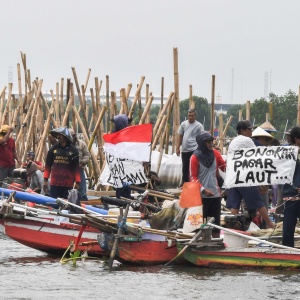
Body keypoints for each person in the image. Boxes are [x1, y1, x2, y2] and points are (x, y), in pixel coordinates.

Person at [226, 120, 275, 229]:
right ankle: (270, 224)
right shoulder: (247, 140)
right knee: (259, 202)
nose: (251, 131)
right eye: (249, 129)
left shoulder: (233, 142)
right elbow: (257, 156)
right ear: (242, 131)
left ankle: (231, 228)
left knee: (235, 204)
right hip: (245, 177)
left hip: (234, 177)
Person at [190, 131, 226, 238]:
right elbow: (193, 177)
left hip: (215, 195)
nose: (211, 143)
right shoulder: (194, 157)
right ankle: (201, 243)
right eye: (207, 142)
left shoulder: (215, 154)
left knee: (215, 224)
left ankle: (215, 245)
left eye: (211, 141)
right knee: (201, 224)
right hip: (201, 196)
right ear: (202, 143)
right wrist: (203, 190)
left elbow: (224, 166)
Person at [43, 127, 81, 199]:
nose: (58, 137)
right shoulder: (53, 149)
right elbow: (48, 166)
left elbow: (76, 168)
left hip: (68, 183)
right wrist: (45, 180)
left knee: (66, 205)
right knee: (53, 203)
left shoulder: (74, 151)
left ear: (66, 137)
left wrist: (77, 182)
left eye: (60, 135)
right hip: (55, 182)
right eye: (57, 135)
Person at [282, 126, 300, 247]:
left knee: (288, 227)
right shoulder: (286, 152)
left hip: (292, 194)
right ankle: (288, 252)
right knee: (288, 228)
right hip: (290, 195)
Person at [176, 108, 204, 187]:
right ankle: (185, 185)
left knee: (193, 168)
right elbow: (180, 136)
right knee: (185, 168)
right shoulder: (183, 124)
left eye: (192, 116)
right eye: (189, 116)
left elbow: (202, 137)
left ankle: (194, 184)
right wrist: (177, 147)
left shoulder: (199, 126)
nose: (190, 117)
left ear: (195, 116)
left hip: (194, 150)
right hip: (185, 150)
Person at [111, 114, 132, 199]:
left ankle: (125, 205)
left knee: (126, 188)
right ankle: (121, 206)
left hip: (127, 168)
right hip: (118, 167)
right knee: (120, 189)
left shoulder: (128, 135)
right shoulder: (114, 136)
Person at [68, 129, 90, 201]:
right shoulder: (66, 145)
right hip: (68, 170)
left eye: (73, 136)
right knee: (68, 187)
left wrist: (82, 163)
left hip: (79, 169)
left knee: (82, 188)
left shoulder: (82, 144)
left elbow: (87, 155)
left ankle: (83, 203)